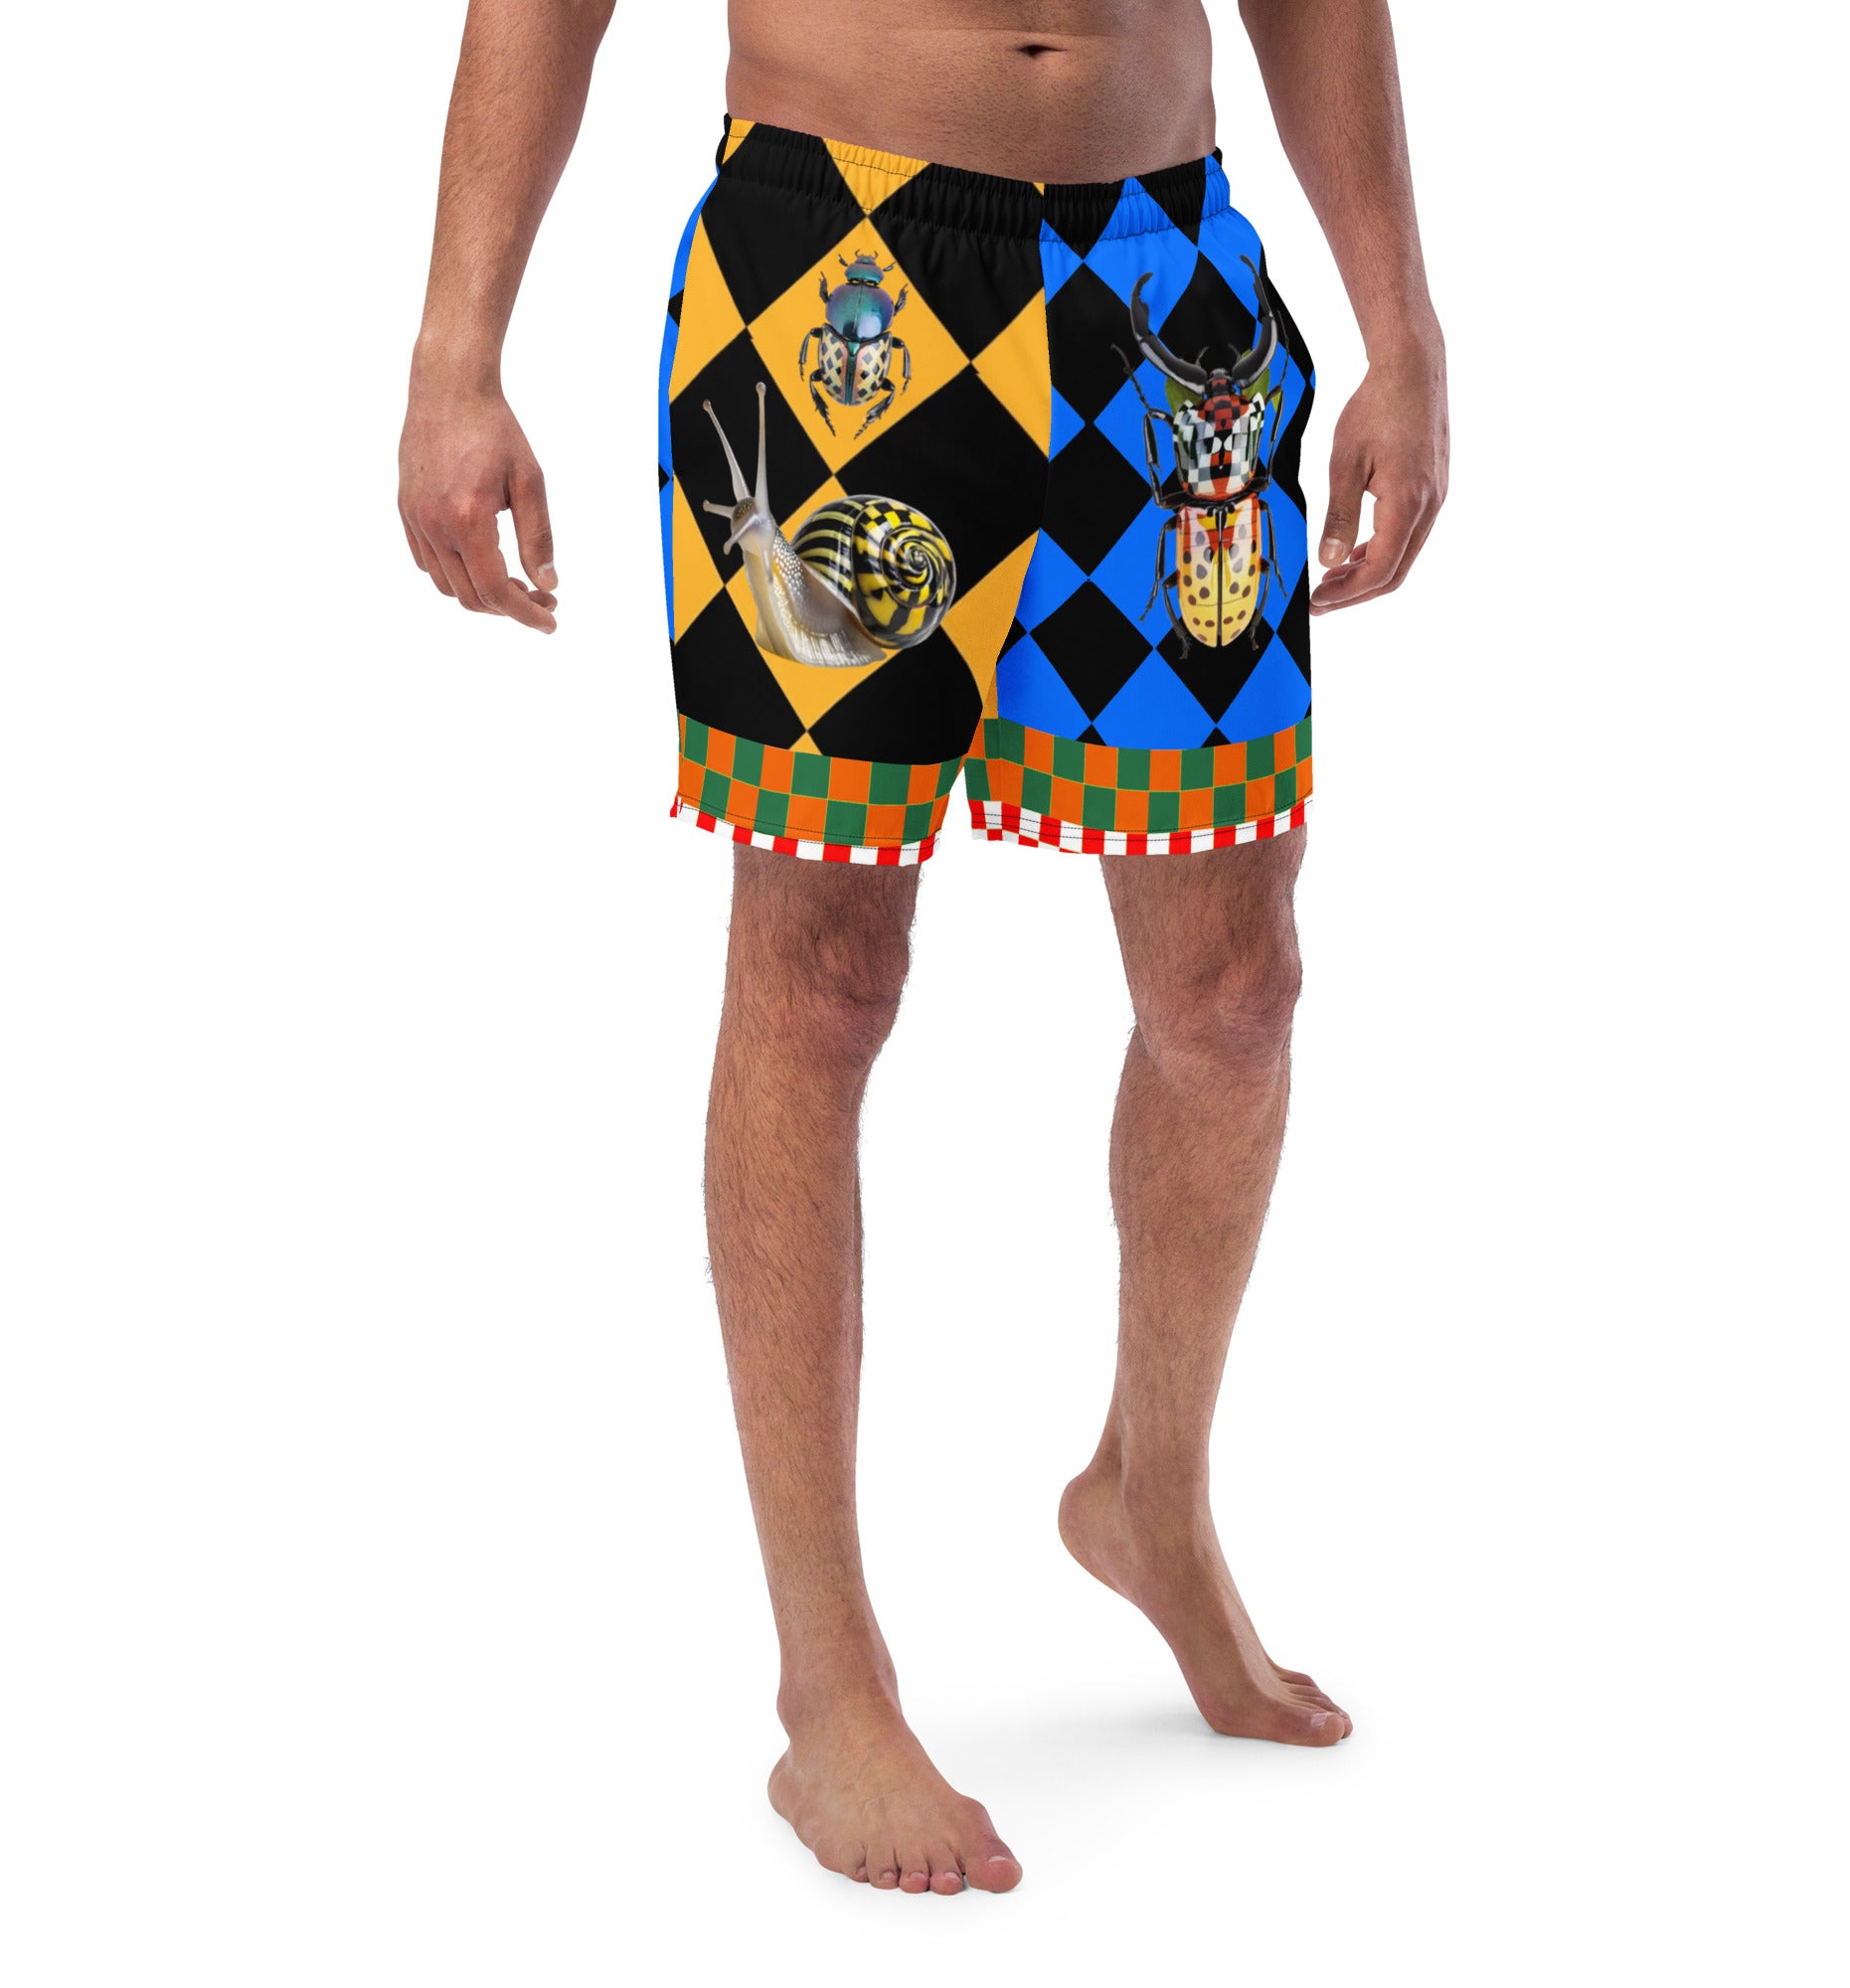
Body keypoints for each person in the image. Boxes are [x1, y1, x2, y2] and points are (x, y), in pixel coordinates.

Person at [399, 0, 1447, 1896]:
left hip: (1168, 284)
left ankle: (1148, 1495)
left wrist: (1403, 322)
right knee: (822, 981)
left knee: (1232, 994)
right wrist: (456, 350)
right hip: (838, 282)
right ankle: (831, 1691)